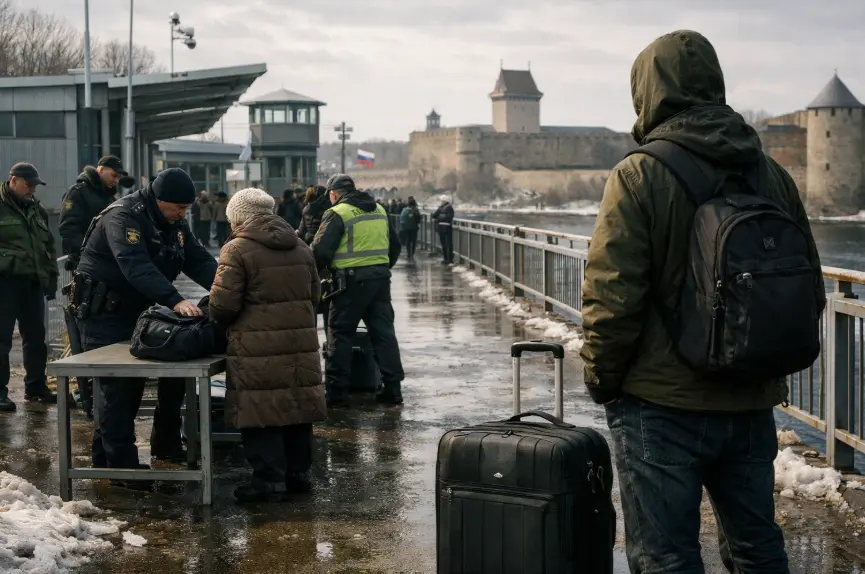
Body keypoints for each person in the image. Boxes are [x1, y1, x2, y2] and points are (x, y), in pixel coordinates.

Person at [579, 30, 822, 572]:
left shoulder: (639, 173)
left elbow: (611, 298)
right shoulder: (771, 173)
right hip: (750, 398)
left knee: (667, 556)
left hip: (659, 405)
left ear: (648, 92)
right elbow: (809, 285)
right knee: (758, 550)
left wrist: (603, 380)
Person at [73, 168, 217, 489]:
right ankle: (122, 467)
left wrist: (226, 286)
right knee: (116, 389)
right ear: (159, 199)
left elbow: (198, 260)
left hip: (136, 312)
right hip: (104, 312)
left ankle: (107, 459)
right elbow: (135, 265)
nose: (182, 215)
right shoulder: (124, 217)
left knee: (128, 387)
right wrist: (175, 300)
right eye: (177, 208)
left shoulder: (173, 221)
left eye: (185, 210)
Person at [209, 187, 325, 503]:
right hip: (299, 343)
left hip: (256, 346)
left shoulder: (236, 250)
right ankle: (298, 475)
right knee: (295, 408)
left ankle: (267, 479)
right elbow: (315, 296)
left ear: (237, 218)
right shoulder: (301, 246)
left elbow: (223, 307)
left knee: (260, 409)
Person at [311, 174, 404, 408]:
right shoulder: (380, 210)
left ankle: (337, 394)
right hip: (380, 281)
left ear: (333, 194)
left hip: (348, 285)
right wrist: (380, 268)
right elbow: (395, 246)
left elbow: (320, 252)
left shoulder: (337, 213)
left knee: (340, 336)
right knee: (384, 335)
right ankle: (393, 389)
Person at [59, 155, 127, 419]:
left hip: (107, 275)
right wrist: (90, 256)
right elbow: (68, 230)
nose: (117, 179)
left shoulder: (108, 197)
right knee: (84, 336)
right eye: (114, 174)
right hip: (87, 274)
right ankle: (85, 391)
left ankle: (96, 391)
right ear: (100, 170)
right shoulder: (79, 193)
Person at [0, 163, 59, 411]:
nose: (32, 189)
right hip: (4, 284)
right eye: (28, 184)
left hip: (32, 283)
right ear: (13, 181)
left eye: (34, 185)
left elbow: (47, 246)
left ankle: (36, 388)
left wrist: (51, 278)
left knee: (36, 338)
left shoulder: (37, 210)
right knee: (1, 341)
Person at [431, 198, 454, 265]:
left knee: (448, 244)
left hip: (445, 228)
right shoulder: (441, 208)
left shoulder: (449, 208)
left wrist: (440, 217)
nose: (441, 202)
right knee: (444, 244)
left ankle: (449, 259)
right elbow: (434, 215)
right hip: (442, 228)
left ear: (445, 201)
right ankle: (446, 259)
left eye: (442, 201)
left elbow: (449, 217)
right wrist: (442, 216)